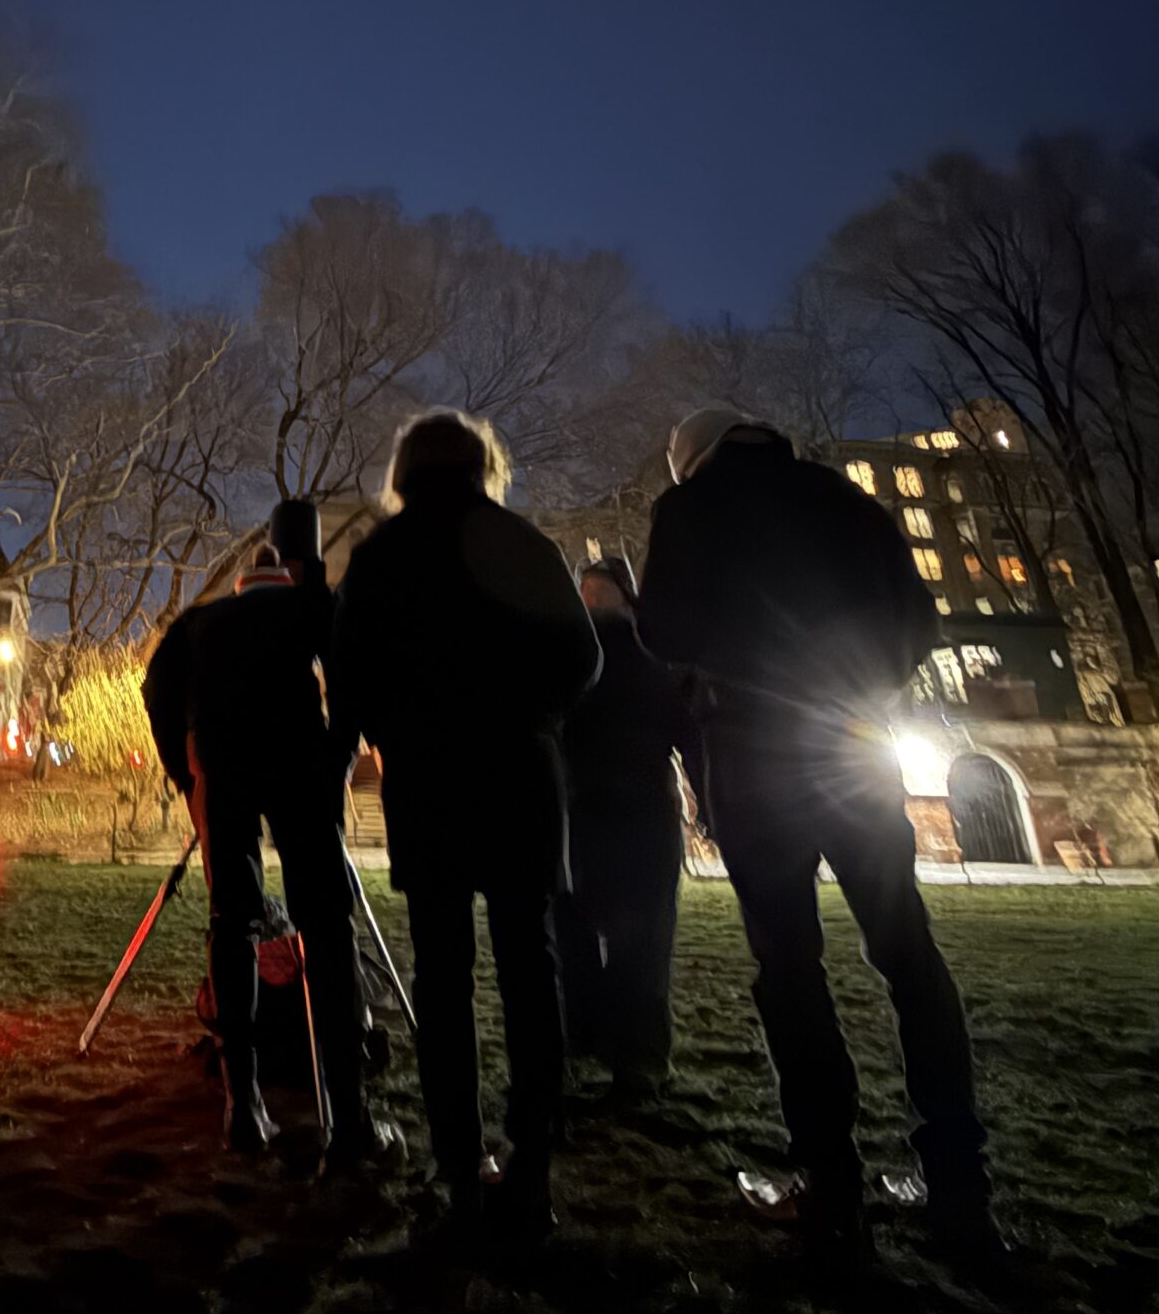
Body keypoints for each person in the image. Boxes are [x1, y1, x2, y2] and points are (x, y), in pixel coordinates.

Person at [637, 407, 997, 1261]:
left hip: (753, 751)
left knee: (789, 966)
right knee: (908, 950)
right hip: (851, 742)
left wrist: (721, 673)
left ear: (691, 462)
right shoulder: (845, 501)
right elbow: (919, 622)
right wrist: (861, 684)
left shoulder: (689, 511)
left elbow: (661, 631)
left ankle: (829, 1184)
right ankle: (957, 1181)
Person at [329, 411, 600, 1237]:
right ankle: (533, 1163)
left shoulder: (380, 557)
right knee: (529, 963)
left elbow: (347, 675)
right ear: (484, 464)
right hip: (521, 772)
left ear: (405, 470)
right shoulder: (523, 543)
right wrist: (537, 716)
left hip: (429, 777)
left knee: (442, 976)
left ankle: (458, 1165)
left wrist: (383, 732)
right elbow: (584, 659)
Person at [145, 505, 401, 1167]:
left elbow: (157, 690)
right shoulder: (312, 610)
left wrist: (185, 771)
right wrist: (339, 756)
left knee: (233, 923)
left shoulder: (200, 623)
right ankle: (347, 1117)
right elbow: (355, 681)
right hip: (299, 767)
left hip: (222, 770)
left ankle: (244, 1107)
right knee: (326, 923)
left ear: (240, 585)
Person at [555, 554, 696, 1106]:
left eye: (598, 589)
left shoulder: (623, 652)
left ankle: (624, 1053)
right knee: (600, 938)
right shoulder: (638, 652)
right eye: (584, 589)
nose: (590, 599)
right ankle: (614, 1049)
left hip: (619, 811)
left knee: (626, 939)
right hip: (603, 810)